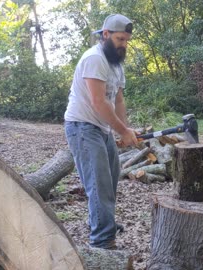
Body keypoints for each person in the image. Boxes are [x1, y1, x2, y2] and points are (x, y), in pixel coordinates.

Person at [64, 14, 138, 250]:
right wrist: (123, 130)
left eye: (126, 40)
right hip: (83, 126)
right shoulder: (95, 58)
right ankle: (102, 243)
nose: (123, 44)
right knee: (99, 185)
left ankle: (102, 223)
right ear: (105, 34)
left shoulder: (115, 63)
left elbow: (118, 100)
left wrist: (124, 131)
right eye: (119, 39)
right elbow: (98, 102)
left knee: (111, 179)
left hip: (102, 127)